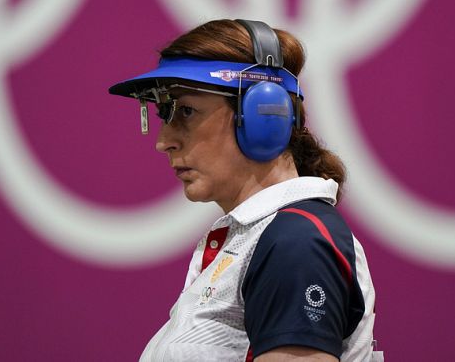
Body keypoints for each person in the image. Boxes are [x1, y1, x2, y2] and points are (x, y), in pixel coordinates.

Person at [109, 19, 381, 361]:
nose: (164, 142)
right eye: (165, 114)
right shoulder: (259, 238)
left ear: (263, 115)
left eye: (187, 111)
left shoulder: (296, 244)